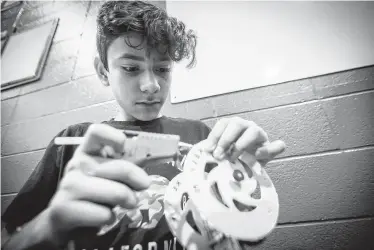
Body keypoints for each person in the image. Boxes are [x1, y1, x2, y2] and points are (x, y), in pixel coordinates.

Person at [1, 1, 286, 250]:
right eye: (130, 68)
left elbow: (242, 238)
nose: (151, 85)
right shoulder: (74, 141)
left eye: (162, 69)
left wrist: (248, 192)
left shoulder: (201, 136)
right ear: (103, 71)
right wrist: (49, 226)